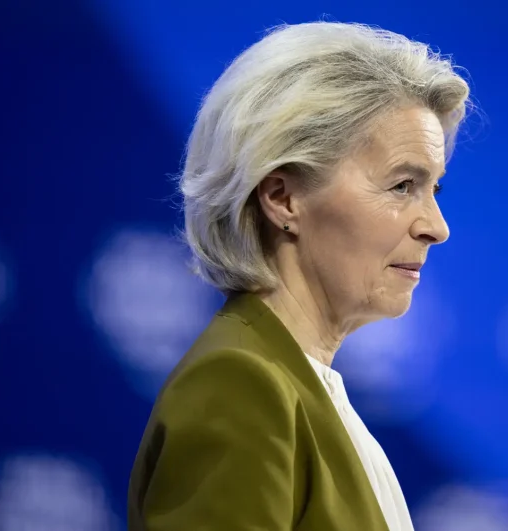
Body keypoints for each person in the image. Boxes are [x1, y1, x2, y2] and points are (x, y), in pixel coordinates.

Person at [127, 21, 471, 531]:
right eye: (402, 185)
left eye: (433, 190)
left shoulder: (302, 388)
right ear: (282, 198)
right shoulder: (241, 386)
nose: (436, 228)